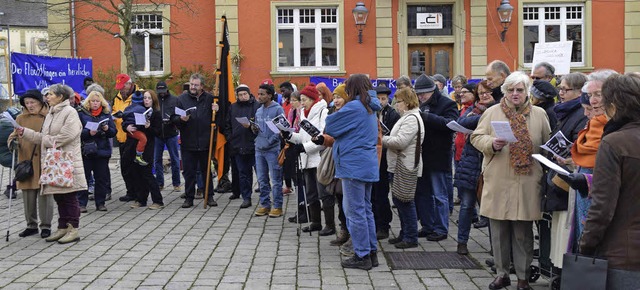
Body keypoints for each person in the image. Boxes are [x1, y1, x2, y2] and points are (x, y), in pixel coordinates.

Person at [471, 71, 551, 290]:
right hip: (498, 178)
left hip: (527, 180)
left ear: (527, 92)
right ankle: (502, 273)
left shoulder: (540, 114)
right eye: (511, 90)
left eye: (520, 90)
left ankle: (523, 278)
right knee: (498, 232)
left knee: (523, 234)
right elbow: (476, 137)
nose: (515, 94)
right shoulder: (492, 112)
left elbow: (546, 145)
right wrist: (491, 143)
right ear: (504, 91)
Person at [579, 73, 640, 289]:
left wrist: (585, 246)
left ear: (614, 105)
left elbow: (603, 205)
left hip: (623, 254)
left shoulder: (615, 142)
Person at [17, 83, 88, 244]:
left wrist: (46, 140)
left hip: (66, 162)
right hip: (54, 163)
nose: (46, 97)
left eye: (50, 94)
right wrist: (24, 132)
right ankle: (62, 227)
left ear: (60, 97)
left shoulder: (70, 112)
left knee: (69, 197)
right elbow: (42, 136)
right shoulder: (51, 113)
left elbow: (66, 136)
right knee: (59, 197)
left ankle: (73, 229)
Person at [324, 74, 381, 270]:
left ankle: (362, 255)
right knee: (366, 210)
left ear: (352, 88)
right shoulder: (369, 106)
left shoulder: (354, 107)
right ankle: (371, 252)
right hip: (366, 164)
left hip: (353, 165)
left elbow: (330, 126)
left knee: (355, 212)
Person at [541, 72, 588, 272]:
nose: (560, 92)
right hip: (558, 178)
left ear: (579, 92)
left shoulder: (580, 114)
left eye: (565, 89)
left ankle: (562, 273)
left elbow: (580, 144)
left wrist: (568, 156)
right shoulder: (565, 111)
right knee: (557, 233)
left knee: (564, 235)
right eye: (560, 88)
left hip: (568, 180)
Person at [567, 69, 617, 249]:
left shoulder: (617, 127)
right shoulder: (592, 123)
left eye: (598, 94)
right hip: (585, 198)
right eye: (590, 95)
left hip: (604, 203)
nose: (593, 100)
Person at [453, 80, 497, 255]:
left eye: (488, 92)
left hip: (492, 164)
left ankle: (496, 248)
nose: (484, 95)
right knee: (467, 205)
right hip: (472, 163)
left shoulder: (500, 110)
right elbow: (462, 122)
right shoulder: (475, 110)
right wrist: (484, 118)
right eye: (481, 93)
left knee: (493, 211)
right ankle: (461, 242)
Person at [414, 73, 458, 242]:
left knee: (439, 195)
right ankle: (427, 225)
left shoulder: (448, 103)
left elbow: (451, 124)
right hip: (422, 157)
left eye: (424, 93)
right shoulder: (419, 104)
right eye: (419, 94)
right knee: (423, 194)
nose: (421, 96)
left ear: (433, 90)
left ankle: (441, 228)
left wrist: (427, 117)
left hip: (439, 156)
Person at [283, 83, 332, 234]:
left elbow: (322, 137)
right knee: (310, 192)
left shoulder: (323, 112)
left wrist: (305, 147)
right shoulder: (304, 113)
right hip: (306, 158)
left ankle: (330, 225)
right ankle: (315, 221)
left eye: (304, 100)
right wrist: (290, 136)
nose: (302, 103)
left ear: (312, 99)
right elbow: (303, 136)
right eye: (301, 100)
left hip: (318, 157)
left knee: (323, 193)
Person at [382, 87, 424, 249]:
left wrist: (382, 139)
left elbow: (400, 142)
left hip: (405, 165)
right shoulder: (407, 116)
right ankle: (405, 233)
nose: (396, 105)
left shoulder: (412, 118)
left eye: (398, 102)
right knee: (399, 201)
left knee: (405, 201)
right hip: (400, 164)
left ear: (406, 103)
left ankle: (411, 236)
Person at [8, 90, 53, 238]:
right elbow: (13, 136)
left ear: (40, 102)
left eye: (32, 102)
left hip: (44, 160)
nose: (30, 105)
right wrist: (12, 142)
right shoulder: (20, 118)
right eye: (27, 103)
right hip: (26, 160)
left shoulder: (49, 116)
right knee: (28, 194)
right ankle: (31, 225)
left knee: (45, 194)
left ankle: (46, 225)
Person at [175, 73, 217, 208]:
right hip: (188, 141)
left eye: (196, 85)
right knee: (189, 172)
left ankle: (209, 196)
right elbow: (174, 119)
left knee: (206, 171)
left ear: (202, 86)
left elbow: (218, 118)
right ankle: (189, 197)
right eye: (191, 84)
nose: (193, 87)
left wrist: (217, 110)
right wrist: (181, 120)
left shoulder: (210, 98)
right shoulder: (181, 99)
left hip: (205, 141)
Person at [77, 91, 117, 213]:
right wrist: (88, 132)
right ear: (88, 102)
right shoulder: (82, 114)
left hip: (102, 150)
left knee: (101, 178)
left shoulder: (106, 114)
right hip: (87, 150)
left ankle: (100, 203)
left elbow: (113, 132)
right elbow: (77, 132)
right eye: (92, 101)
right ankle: (81, 204)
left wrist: (106, 128)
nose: (95, 103)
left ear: (101, 102)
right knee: (84, 178)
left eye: (97, 101)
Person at [125, 90, 164, 209]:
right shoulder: (138, 110)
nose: (146, 100)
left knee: (147, 173)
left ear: (153, 100)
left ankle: (158, 200)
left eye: (149, 98)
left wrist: (149, 127)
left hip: (148, 146)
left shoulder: (156, 114)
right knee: (137, 172)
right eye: (145, 98)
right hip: (135, 145)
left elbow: (158, 132)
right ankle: (141, 199)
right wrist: (126, 127)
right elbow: (127, 121)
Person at [253, 83, 285, 217]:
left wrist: (270, 141)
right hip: (259, 149)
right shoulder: (258, 110)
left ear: (270, 95)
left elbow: (281, 129)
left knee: (276, 179)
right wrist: (252, 128)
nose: (259, 96)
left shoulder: (278, 109)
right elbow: (257, 128)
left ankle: (277, 206)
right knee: (261, 178)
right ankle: (265, 204)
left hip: (272, 149)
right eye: (258, 94)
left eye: (262, 94)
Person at [372, 84, 400, 240]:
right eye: (378, 99)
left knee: (382, 193)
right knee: (372, 193)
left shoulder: (392, 114)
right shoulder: (371, 112)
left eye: (383, 99)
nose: (381, 101)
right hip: (372, 156)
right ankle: (375, 223)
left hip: (385, 157)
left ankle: (384, 225)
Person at [226, 84, 260, 208]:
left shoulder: (257, 106)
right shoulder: (233, 107)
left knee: (259, 173)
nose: (243, 97)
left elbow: (260, 125)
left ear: (249, 94)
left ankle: (265, 196)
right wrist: (230, 138)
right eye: (240, 95)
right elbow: (227, 124)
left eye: (245, 94)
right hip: (238, 144)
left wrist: (251, 127)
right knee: (243, 173)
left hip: (254, 144)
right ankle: (246, 197)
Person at [112, 73, 143, 202]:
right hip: (121, 137)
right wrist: (114, 116)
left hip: (134, 137)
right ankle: (130, 191)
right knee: (125, 167)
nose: (121, 90)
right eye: (119, 87)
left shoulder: (139, 95)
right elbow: (113, 111)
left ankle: (139, 192)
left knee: (134, 167)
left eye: (122, 87)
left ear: (129, 84)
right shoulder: (117, 97)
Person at [153, 80, 182, 191]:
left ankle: (176, 183)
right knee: (157, 159)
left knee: (175, 159)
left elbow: (179, 116)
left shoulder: (175, 100)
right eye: (159, 91)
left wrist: (173, 120)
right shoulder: (154, 100)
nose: (161, 93)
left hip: (171, 133)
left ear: (167, 89)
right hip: (158, 134)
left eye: (163, 91)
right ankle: (160, 183)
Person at [122, 90, 151, 166]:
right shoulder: (142, 109)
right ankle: (138, 155)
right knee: (143, 138)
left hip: (130, 134)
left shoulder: (127, 108)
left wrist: (126, 125)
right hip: (135, 132)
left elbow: (123, 119)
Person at [283, 91, 302, 198]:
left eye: (295, 100)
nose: (292, 102)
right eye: (291, 100)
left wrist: (292, 131)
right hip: (290, 141)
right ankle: (290, 185)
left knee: (295, 168)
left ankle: (297, 185)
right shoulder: (291, 111)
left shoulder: (301, 112)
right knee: (287, 166)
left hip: (298, 141)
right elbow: (289, 123)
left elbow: (299, 127)